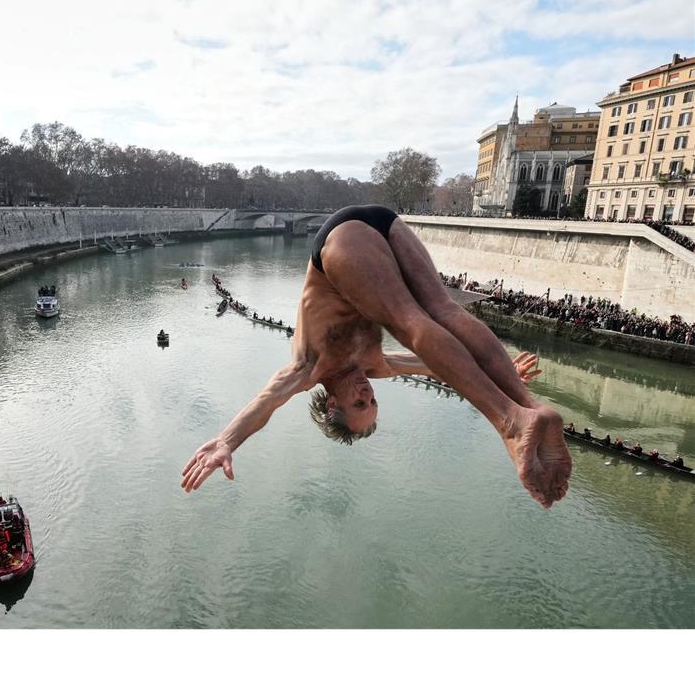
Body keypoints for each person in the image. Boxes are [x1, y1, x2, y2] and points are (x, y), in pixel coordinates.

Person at [182, 204, 571, 509]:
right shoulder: (376, 366)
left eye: (359, 402)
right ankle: (528, 407)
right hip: (386, 224)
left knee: (410, 320)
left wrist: (226, 441)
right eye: (372, 400)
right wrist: (507, 374)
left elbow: (266, 403)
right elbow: (439, 366)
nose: (368, 392)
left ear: (332, 403)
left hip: (339, 242)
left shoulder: (307, 368)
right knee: (445, 310)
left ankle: (510, 422)